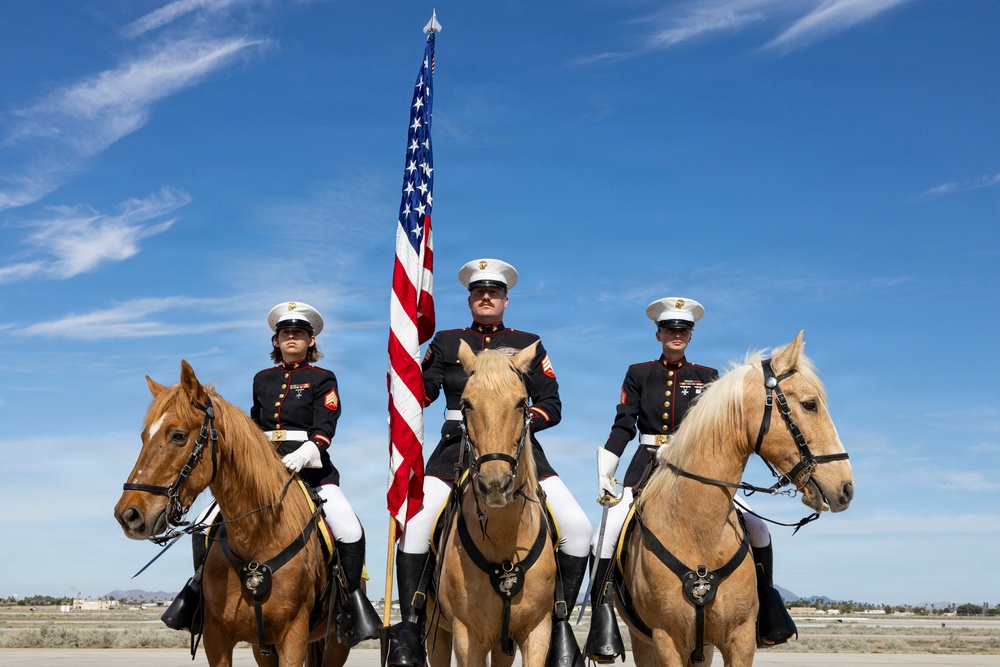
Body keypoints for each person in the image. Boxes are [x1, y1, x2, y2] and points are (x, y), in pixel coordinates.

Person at [387, 259, 594, 667]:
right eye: (479, 292)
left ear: (505, 299)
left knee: (578, 527)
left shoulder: (528, 342)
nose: (486, 298)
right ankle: (410, 624)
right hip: (454, 451)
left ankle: (561, 622)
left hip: (519, 451)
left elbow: (551, 403)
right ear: (469, 299)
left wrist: (517, 421)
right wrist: (403, 372)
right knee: (415, 527)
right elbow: (422, 395)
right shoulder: (447, 343)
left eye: (493, 292)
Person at [583, 298, 795, 662]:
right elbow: (623, 424)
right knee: (606, 533)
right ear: (659, 333)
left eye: (683, 330)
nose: (677, 335)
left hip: (702, 471)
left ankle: (767, 608)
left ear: (690, 335)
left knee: (759, 529)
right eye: (670, 329)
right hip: (649, 467)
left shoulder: (707, 377)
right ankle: (602, 619)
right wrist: (607, 469)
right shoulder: (639, 373)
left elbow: (723, 431)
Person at [164, 301, 380, 648]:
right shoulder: (262, 379)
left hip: (310, 470)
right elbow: (253, 427)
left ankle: (351, 605)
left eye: (298, 333)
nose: (290, 338)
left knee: (350, 529)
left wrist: (310, 450)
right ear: (276, 341)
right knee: (205, 525)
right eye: (284, 334)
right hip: (261, 470)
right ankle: (199, 596)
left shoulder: (322, 378)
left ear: (311, 341)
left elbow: (326, 424)